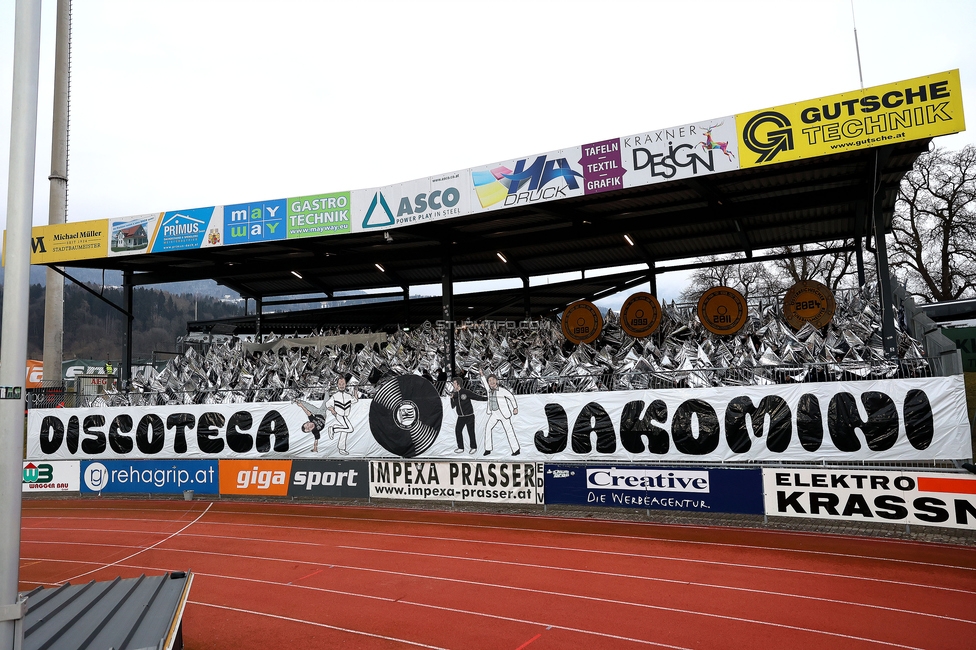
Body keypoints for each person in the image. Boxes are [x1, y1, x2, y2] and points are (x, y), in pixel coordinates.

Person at [479, 368, 520, 456]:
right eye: (489, 381)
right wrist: (482, 375)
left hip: (503, 414)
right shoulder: (489, 390)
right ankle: (488, 449)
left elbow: (511, 397)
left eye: (493, 380)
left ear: (496, 381)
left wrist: (515, 408)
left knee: (509, 430)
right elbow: (484, 383)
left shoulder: (502, 390)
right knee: (488, 428)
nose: (491, 382)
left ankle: (516, 449)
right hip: (494, 413)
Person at [449, 378, 486, 454]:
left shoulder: (466, 392)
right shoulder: (455, 394)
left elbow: (477, 397)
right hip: (461, 417)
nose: (453, 385)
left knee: (471, 432)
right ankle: (460, 447)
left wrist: (487, 398)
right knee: (458, 431)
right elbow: (453, 406)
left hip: (469, 415)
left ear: (458, 384)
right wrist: (452, 398)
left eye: (454, 383)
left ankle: (473, 447)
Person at [326, 374, 358, 455]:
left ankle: (341, 448)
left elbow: (355, 400)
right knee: (350, 429)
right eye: (340, 384)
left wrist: (355, 390)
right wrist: (332, 410)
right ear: (337, 385)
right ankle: (334, 429)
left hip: (345, 415)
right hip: (339, 415)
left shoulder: (348, 396)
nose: (341, 386)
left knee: (345, 431)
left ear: (345, 384)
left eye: (343, 384)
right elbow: (327, 404)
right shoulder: (335, 395)